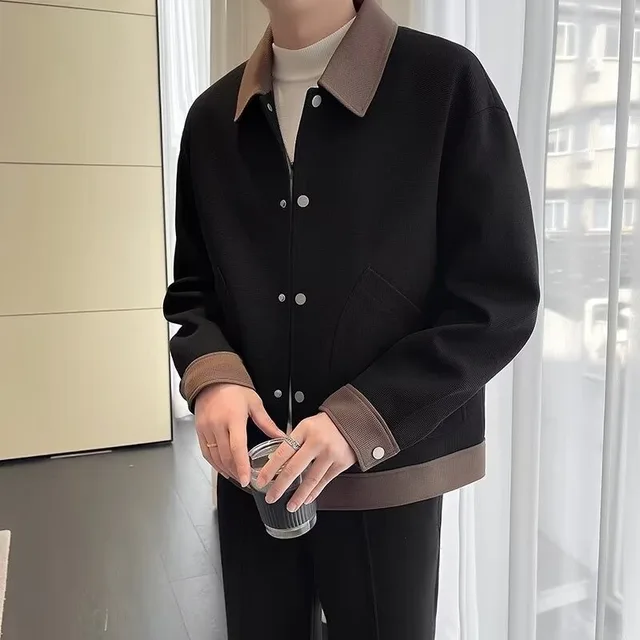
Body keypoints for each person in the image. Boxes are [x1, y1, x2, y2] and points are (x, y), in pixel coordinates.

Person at [163, 0, 540, 637]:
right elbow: (195, 290)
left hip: (387, 480)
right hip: (252, 473)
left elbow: (496, 301)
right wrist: (214, 379)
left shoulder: (444, 84)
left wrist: (359, 420)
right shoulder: (210, 119)